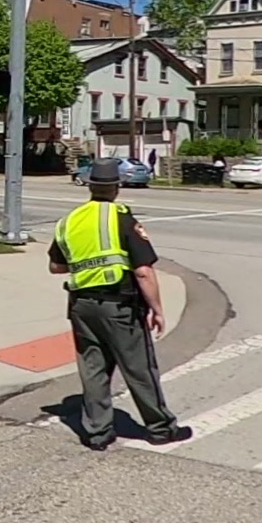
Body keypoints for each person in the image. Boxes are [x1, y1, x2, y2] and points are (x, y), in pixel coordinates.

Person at [52, 164, 190, 449]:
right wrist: (157, 309)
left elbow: (56, 266)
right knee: (139, 368)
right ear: (116, 188)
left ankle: (97, 433)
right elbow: (143, 271)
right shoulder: (121, 218)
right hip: (119, 307)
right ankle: (161, 429)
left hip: (81, 306)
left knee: (93, 369)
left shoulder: (69, 220)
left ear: (90, 186)